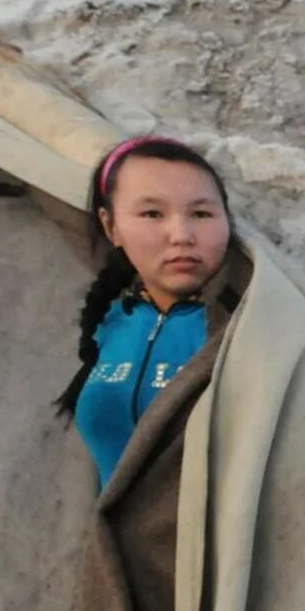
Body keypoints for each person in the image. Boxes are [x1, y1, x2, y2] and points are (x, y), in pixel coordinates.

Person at [57, 135, 232, 487]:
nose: (181, 235)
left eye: (201, 213)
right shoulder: (112, 322)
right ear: (111, 227)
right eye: (152, 213)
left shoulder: (244, 327)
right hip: (115, 541)